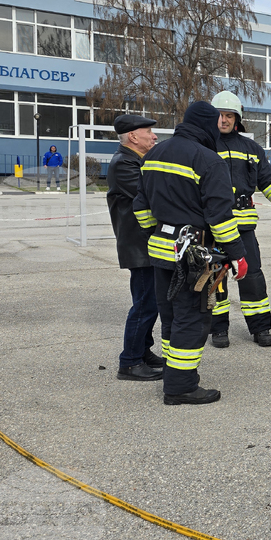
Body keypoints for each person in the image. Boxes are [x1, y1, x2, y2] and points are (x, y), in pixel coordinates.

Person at [133, 100, 248, 406]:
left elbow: (140, 207)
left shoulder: (154, 154)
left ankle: (174, 373)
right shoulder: (209, 161)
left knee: (170, 317)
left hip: (161, 250)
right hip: (192, 255)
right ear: (209, 125)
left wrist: (155, 233)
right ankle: (180, 386)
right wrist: (238, 254)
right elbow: (220, 218)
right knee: (192, 319)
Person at [209, 91, 271, 349]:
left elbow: (269, 183)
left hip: (243, 228)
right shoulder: (205, 146)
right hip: (213, 227)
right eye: (219, 115)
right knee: (215, 279)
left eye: (229, 115)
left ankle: (260, 328)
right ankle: (218, 330)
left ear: (237, 119)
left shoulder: (252, 149)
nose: (224, 120)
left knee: (252, 277)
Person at [107, 114, 165, 382]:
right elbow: (152, 196)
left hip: (144, 244)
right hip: (138, 246)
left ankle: (142, 352)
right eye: (148, 132)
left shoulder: (136, 160)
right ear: (133, 137)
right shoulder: (124, 164)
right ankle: (129, 362)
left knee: (148, 302)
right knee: (144, 304)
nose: (154, 137)